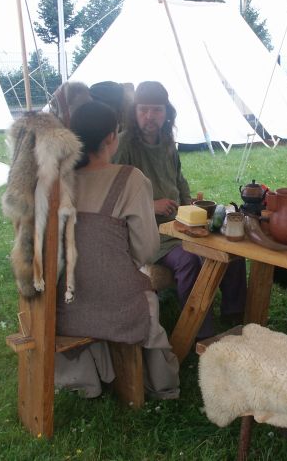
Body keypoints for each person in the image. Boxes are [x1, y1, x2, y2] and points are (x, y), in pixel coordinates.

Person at [55, 100, 180, 400]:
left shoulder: (56, 182)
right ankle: (152, 380)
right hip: (121, 310)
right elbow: (146, 250)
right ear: (112, 137)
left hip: (66, 308)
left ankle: (92, 374)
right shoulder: (131, 180)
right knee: (142, 297)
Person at [114, 80, 246, 339]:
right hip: (147, 234)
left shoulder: (166, 142)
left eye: (156, 110)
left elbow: (179, 182)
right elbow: (114, 198)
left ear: (166, 113)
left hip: (179, 225)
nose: (149, 116)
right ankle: (200, 333)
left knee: (231, 247)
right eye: (143, 110)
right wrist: (151, 205)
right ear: (134, 112)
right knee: (189, 260)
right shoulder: (123, 146)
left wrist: (192, 210)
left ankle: (235, 315)